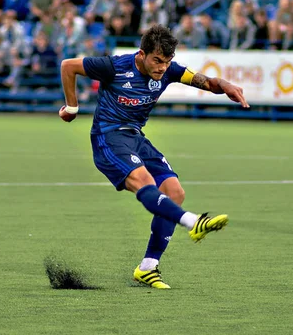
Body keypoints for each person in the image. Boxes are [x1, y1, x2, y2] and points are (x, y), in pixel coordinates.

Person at [58, 25, 249, 288]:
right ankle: (193, 221)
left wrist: (226, 86)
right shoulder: (114, 67)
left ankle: (148, 267)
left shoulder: (170, 71)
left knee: (174, 191)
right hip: (108, 137)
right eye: (157, 61)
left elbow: (207, 82)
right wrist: (72, 107)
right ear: (142, 54)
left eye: (167, 61)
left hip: (136, 138)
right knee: (144, 180)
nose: (162, 67)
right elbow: (68, 66)